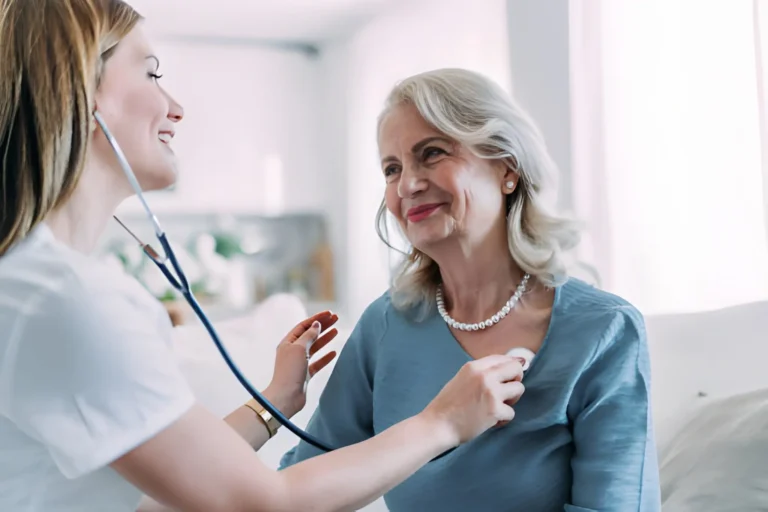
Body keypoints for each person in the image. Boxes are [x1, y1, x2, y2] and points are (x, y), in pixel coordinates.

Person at [0, 3, 529, 512]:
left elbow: (159, 494)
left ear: (508, 171)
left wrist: (275, 402)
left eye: (432, 154)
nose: (176, 107)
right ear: (82, 89)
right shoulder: (66, 302)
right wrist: (442, 423)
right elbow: (261, 502)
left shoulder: (34, 284)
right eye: (152, 74)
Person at [280, 68, 662, 511]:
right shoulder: (384, 327)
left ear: (507, 168)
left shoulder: (604, 331)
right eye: (392, 168)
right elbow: (295, 491)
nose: (408, 185)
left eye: (432, 153)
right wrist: (273, 402)